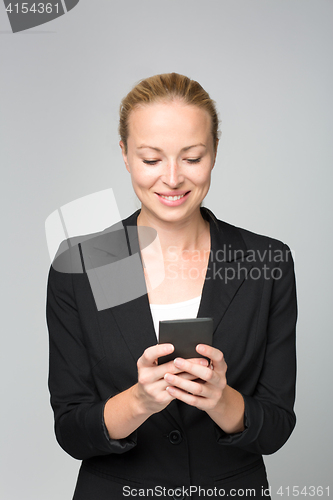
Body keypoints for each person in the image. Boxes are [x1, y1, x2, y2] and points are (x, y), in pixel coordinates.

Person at [46, 73, 297, 500]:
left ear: (215, 152)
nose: (173, 178)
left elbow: (274, 427)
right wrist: (139, 401)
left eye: (192, 157)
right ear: (125, 155)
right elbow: (72, 430)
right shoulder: (82, 266)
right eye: (151, 159)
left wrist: (221, 399)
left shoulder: (266, 261)